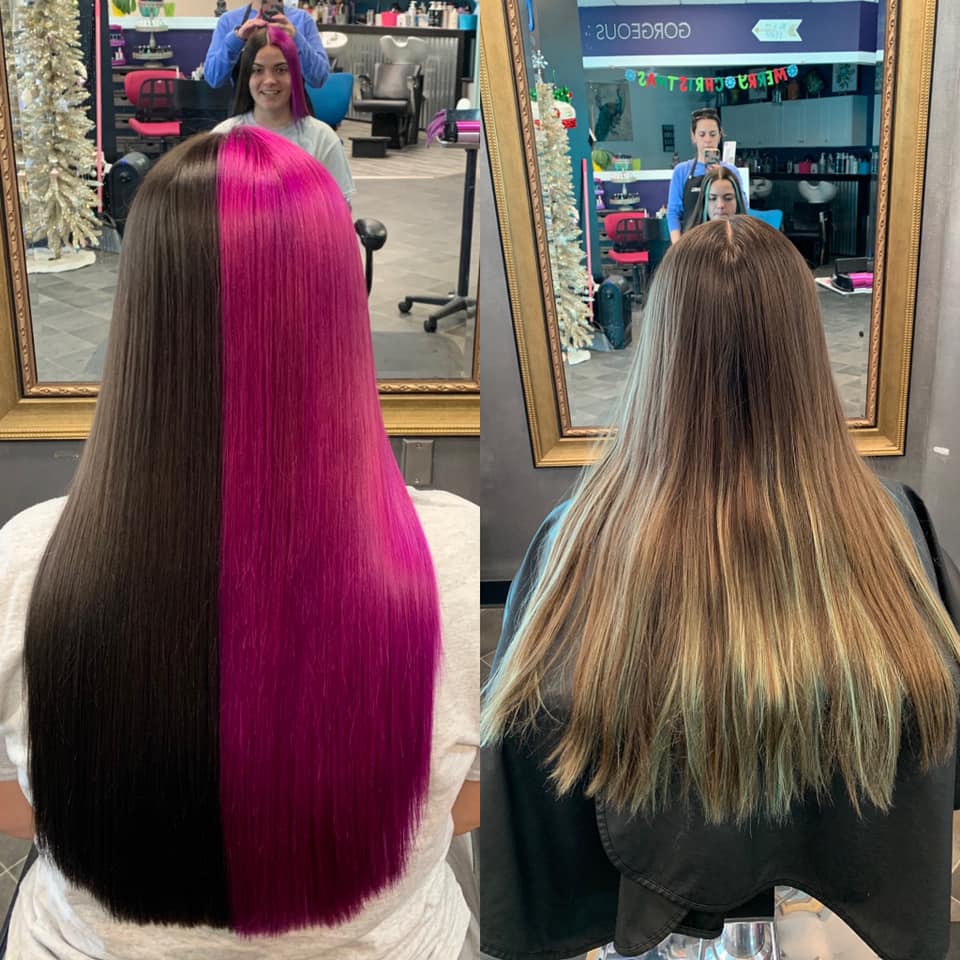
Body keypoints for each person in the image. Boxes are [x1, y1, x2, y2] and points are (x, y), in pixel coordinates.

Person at [0, 128, 479, 959]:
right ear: (340, 303)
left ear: (141, 310)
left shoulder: (27, 562)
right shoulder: (455, 558)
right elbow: (464, 800)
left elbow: (20, 803)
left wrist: (94, 810)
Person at [480, 216, 960, 960]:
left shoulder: (569, 535)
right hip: (836, 901)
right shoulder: (900, 522)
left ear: (662, 349)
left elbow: (522, 751)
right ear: (805, 348)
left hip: (664, 892)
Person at [213, 26, 355, 206]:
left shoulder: (322, 139)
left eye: (281, 70)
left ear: (295, 76)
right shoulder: (223, 137)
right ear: (247, 77)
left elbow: (341, 210)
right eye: (257, 70)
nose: (269, 80)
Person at [203, 0, 329, 90]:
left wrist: (296, 39)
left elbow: (319, 78)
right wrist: (236, 39)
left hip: (293, 114)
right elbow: (214, 79)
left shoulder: (303, 20)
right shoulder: (228, 21)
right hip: (244, 115)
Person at [666, 108, 746, 242]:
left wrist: (720, 177)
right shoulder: (682, 171)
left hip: (724, 242)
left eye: (713, 134)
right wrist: (677, 246)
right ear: (693, 137)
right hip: (691, 243)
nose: (708, 140)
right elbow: (673, 213)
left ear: (720, 136)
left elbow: (742, 208)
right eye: (702, 134)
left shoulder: (731, 171)